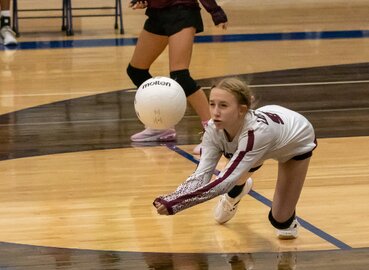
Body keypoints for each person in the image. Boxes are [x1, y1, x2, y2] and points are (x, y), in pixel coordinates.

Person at [153, 77, 317, 239]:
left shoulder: (256, 134)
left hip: (296, 141)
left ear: (242, 109)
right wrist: (174, 198)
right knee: (236, 171)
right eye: (212, 104)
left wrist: (176, 204)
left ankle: (239, 192)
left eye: (223, 105)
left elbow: (224, 182)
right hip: (264, 138)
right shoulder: (212, 128)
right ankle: (237, 191)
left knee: (281, 222)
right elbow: (201, 175)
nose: (215, 112)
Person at [127, 0, 228, 153]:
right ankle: (161, 124)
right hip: (157, 13)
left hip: (182, 12)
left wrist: (215, 12)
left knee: (180, 76)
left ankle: (215, 133)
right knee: (136, 71)